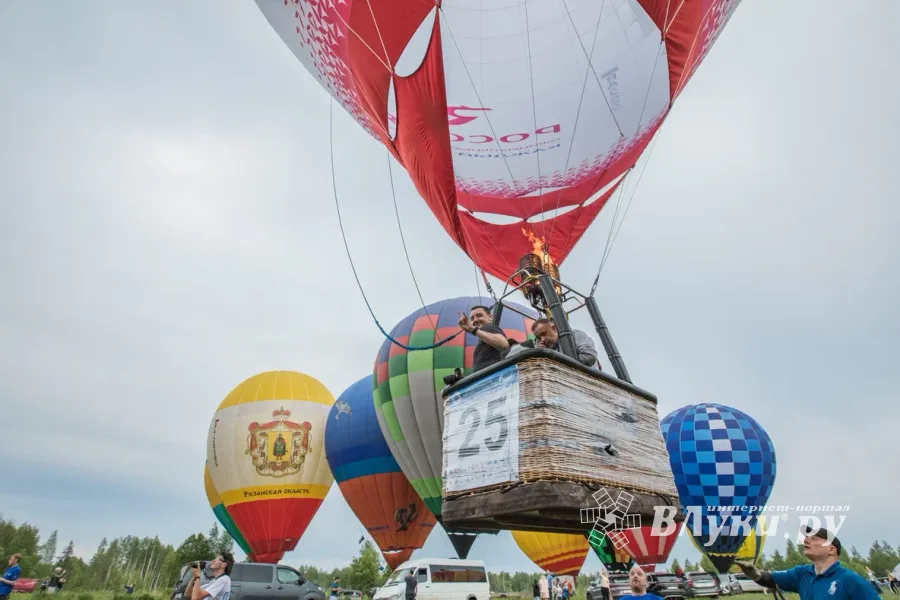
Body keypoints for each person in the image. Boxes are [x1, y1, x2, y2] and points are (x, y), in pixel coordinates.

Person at [735, 528, 880, 600]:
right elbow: (770, 579)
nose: (806, 540)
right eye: (806, 538)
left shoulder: (851, 580)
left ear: (831, 549)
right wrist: (754, 573)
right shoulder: (802, 573)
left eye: (815, 539)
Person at [529, 318, 600, 369]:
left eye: (544, 334)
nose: (542, 339)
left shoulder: (574, 335)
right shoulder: (547, 350)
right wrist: (542, 356)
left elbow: (589, 356)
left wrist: (560, 366)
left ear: (554, 328)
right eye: (539, 338)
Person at [458, 305, 509, 372]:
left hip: (493, 375)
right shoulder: (484, 338)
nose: (475, 320)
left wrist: (472, 329)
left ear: (490, 317)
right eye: (472, 318)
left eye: (479, 315)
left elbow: (504, 344)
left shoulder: (488, 326)